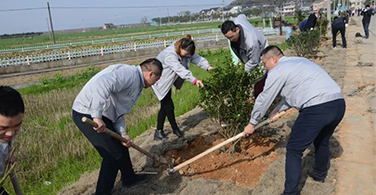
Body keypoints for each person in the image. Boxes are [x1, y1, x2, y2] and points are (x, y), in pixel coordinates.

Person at [243, 46, 346, 195]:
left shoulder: (277, 71)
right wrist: (277, 109)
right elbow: (297, 91)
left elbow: (264, 98)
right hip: (338, 103)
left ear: (273, 59)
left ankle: (290, 192)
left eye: (264, 63)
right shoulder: (299, 61)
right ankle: (319, 174)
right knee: (322, 140)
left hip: (317, 108)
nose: (265, 68)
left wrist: (252, 123)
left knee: (293, 150)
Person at [72, 59, 163, 195]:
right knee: (112, 157)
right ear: (150, 74)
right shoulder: (130, 74)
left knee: (122, 145)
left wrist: (122, 133)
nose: (156, 83)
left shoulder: (137, 83)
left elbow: (117, 111)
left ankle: (129, 178)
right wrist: (96, 116)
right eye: (157, 79)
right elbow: (102, 83)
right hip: (86, 112)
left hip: (104, 115)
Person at [152, 35, 213, 140]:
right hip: (160, 81)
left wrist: (208, 67)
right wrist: (194, 80)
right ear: (181, 48)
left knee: (164, 106)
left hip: (168, 81)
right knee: (168, 106)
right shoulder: (169, 55)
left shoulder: (185, 50)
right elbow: (179, 69)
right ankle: (175, 129)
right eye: (187, 53)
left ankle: (159, 131)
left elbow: (197, 59)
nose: (188, 55)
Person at [0, 86, 24, 195]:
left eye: (17, 125)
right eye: (2, 128)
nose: (10, 133)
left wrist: (8, 153)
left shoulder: (11, 128)